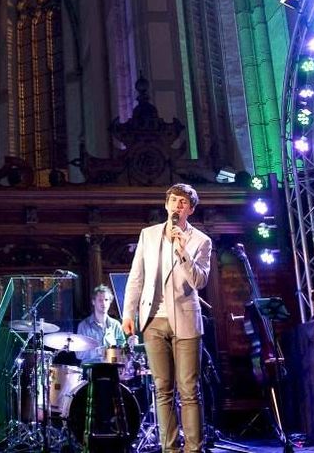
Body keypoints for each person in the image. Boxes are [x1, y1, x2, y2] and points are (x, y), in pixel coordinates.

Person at [122, 183, 212, 453]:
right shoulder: (148, 235)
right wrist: (129, 313)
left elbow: (199, 281)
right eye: (173, 200)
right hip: (153, 321)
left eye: (183, 202)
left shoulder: (201, 241)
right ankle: (169, 449)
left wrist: (183, 251)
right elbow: (136, 277)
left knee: (189, 390)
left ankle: (193, 449)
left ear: (191, 210)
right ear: (166, 205)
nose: (177, 205)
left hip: (185, 320)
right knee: (162, 389)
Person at [76, 284, 129, 363]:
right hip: (92, 368)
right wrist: (98, 352)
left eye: (106, 300)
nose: (104, 303)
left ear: (110, 302)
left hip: (112, 367)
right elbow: (79, 354)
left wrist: (129, 344)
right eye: (100, 300)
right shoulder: (83, 325)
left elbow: (123, 350)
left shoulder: (116, 324)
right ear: (93, 302)